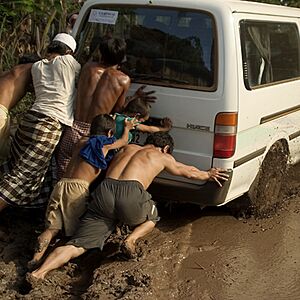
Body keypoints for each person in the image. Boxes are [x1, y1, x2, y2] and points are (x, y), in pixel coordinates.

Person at [28, 132, 229, 280]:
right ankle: (130, 240)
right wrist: (208, 174)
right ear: (166, 148)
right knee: (152, 217)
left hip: (104, 192)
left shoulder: (128, 147)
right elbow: (188, 172)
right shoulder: (162, 156)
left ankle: (38, 273)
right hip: (131, 193)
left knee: (76, 245)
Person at [28, 114, 135, 268]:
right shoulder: (103, 143)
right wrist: (127, 128)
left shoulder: (81, 141)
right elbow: (124, 141)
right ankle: (58, 260)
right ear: (109, 133)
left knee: (52, 228)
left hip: (61, 185)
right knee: (76, 230)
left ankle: (35, 258)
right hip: (77, 189)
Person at [0, 33, 81, 211]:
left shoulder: (37, 66)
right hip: (49, 126)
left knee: (14, 166)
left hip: (30, 120)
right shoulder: (69, 62)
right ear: (69, 51)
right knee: (22, 177)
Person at [56, 37, 156, 179]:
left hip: (73, 129)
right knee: (83, 180)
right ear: (122, 58)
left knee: (62, 175)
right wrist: (134, 97)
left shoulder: (88, 68)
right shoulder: (123, 80)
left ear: (101, 53)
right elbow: (118, 109)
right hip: (95, 135)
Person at [0, 54, 40, 162]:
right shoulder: (30, 68)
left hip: (3, 112)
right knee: (8, 153)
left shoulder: (8, 74)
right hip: (1, 111)